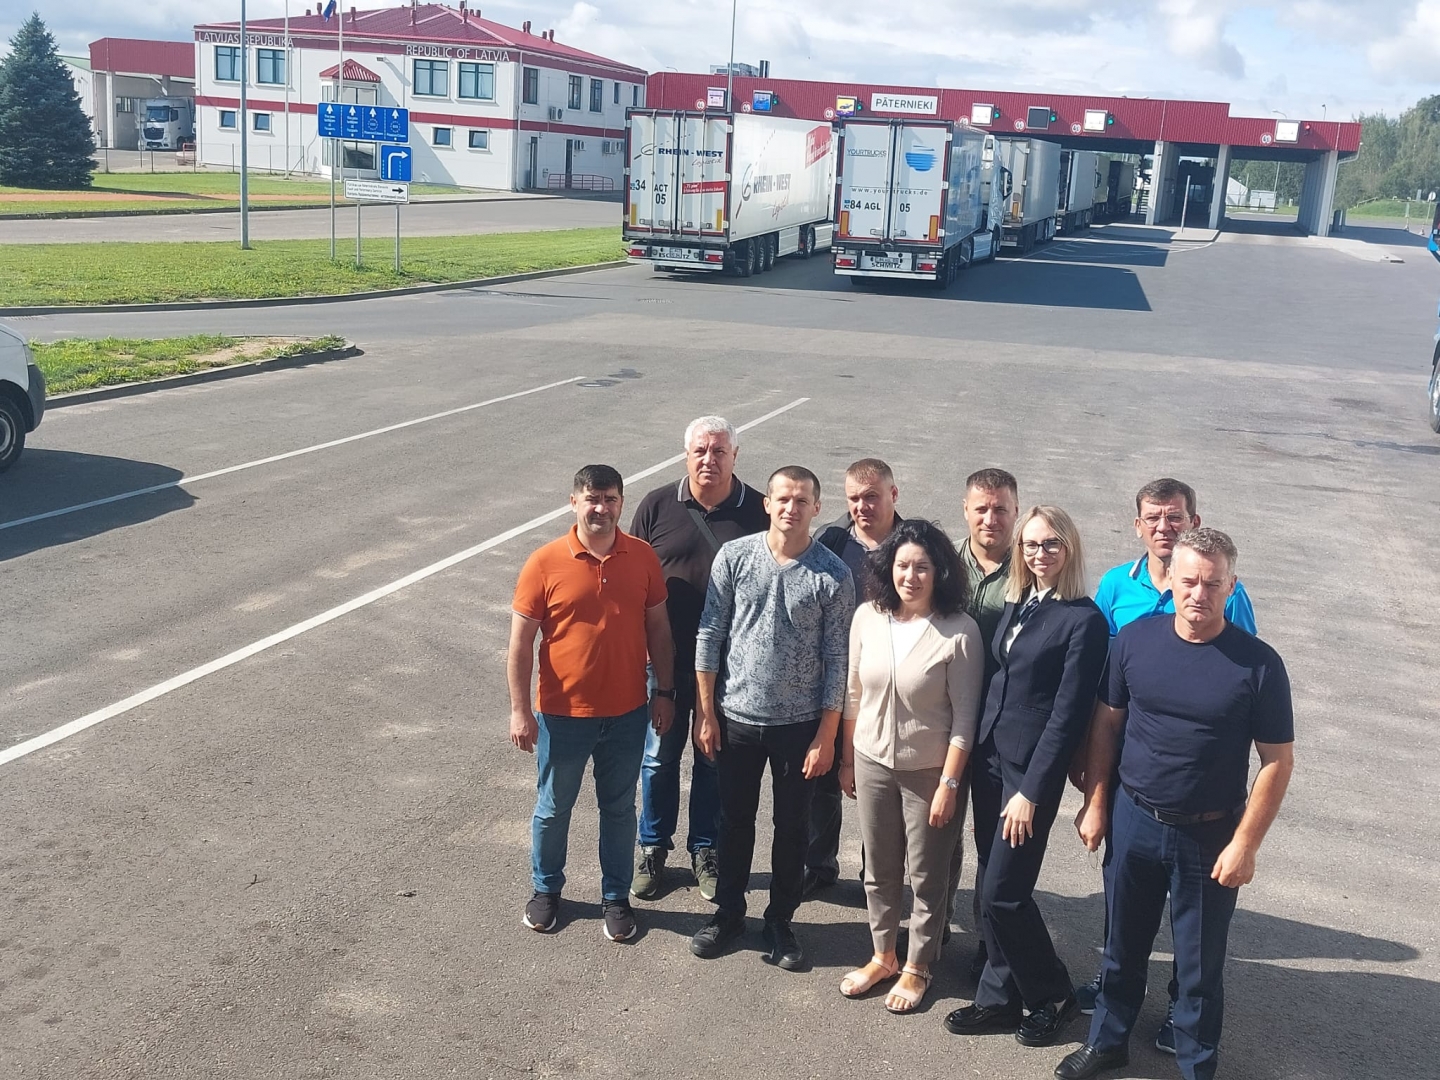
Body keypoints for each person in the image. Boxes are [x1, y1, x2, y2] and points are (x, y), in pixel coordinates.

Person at [1057, 529, 1294, 1080]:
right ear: (1173, 582)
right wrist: (1096, 803)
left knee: (1198, 966)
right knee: (1121, 947)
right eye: (1189, 581)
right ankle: (1107, 1042)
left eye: (1213, 584)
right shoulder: (1134, 641)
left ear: (1231, 586)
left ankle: (1195, 1065)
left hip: (1210, 836)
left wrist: (1245, 844)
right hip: (1134, 819)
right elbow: (1106, 726)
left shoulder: (1258, 665)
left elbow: (1277, 762)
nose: (1199, 594)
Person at [1079, 477, 1256, 1052]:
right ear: (1138, 526)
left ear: (1192, 522)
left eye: (1174, 516)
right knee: (1125, 904)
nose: (1164, 526)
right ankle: (1113, 996)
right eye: (1153, 517)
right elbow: (1099, 681)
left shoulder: (1224, 593)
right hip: (1132, 770)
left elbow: (1237, 676)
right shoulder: (1116, 586)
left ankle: (1183, 1011)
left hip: (1198, 785)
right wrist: (1094, 786)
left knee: (1195, 925)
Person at [944, 506, 1109, 1047]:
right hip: (991, 758)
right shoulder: (1020, 601)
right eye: (1031, 545)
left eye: (1051, 544)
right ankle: (998, 997)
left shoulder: (1084, 620)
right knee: (991, 879)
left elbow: (1067, 716)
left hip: (1028, 773)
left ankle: (1051, 993)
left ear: (1069, 548)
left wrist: (1032, 793)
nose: (1040, 554)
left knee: (1004, 893)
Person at [689, 466, 855, 970]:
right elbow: (710, 633)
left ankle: (781, 920)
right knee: (734, 822)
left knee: (792, 828)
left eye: (802, 501)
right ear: (767, 503)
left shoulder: (832, 574)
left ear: (817, 508)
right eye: (783, 498)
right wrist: (706, 712)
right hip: (736, 719)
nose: (791, 508)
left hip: (799, 728)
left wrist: (826, 735)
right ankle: (728, 914)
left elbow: (838, 660)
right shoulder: (735, 557)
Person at [508, 465, 675, 944]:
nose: (600, 508)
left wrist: (664, 692)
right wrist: (520, 710)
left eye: (610, 499)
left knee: (619, 810)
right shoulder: (544, 562)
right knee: (553, 808)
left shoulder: (641, 556)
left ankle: (616, 897)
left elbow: (659, 629)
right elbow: (520, 643)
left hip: (627, 713)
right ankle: (546, 891)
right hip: (563, 715)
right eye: (591, 498)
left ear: (621, 503)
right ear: (574, 502)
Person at [837, 520, 984, 1013]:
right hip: (871, 761)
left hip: (929, 772)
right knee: (878, 870)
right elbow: (853, 693)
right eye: (903, 565)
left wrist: (949, 783)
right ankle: (883, 955)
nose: (911, 576)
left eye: (922, 567)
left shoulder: (959, 631)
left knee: (926, 875)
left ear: (939, 572)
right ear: (888, 569)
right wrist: (847, 759)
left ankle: (918, 965)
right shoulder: (867, 617)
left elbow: (965, 719)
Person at [629, 417, 769, 903]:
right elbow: (634, 580)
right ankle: (652, 847)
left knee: (712, 760)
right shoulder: (657, 506)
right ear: (686, 454)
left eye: (719, 451)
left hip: (729, 666)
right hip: (664, 661)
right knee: (658, 759)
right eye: (700, 451)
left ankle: (705, 849)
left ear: (735, 456)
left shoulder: (759, 511)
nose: (709, 459)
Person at [807, 457, 904, 897]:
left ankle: (876, 875)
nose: (862, 507)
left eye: (871, 497)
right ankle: (819, 865)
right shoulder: (830, 541)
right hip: (833, 679)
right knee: (824, 779)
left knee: (880, 785)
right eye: (853, 499)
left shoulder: (914, 544)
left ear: (893, 495)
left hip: (888, 684)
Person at [949, 467, 1020, 971]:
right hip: (944, 721)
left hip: (1000, 728)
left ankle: (989, 942)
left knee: (992, 843)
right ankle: (932, 928)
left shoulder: (1032, 568)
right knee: (939, 834)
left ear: (1015, 512)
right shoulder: (943, 562)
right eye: (981, 508)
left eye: (1000, 509)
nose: (990, 518)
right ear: (966, 510)